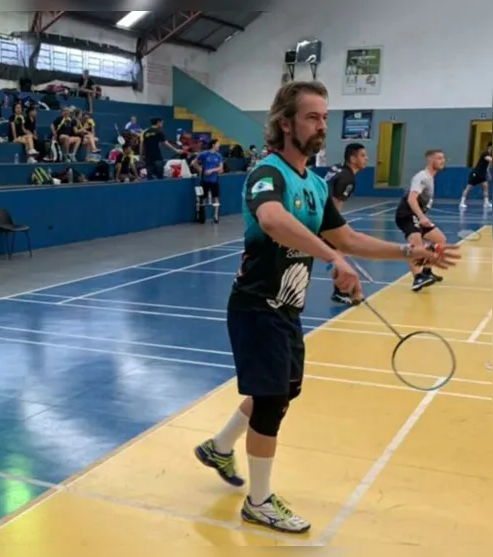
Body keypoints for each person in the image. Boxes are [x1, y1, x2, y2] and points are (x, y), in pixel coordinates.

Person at [192, 81, 459, 534]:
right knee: (272, 400)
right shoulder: (267, 174)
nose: (321, 127)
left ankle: (219, 447)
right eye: (312, 117)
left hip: (287, 310)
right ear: (286, 123)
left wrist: (408, 254)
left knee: (279, 392)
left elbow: (349, 239)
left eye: (324, 119)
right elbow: (274, 220)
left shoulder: (315, 185)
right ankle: (258, 502)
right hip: (257, 307)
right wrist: (333, 259)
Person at [393, 149, 450, 291]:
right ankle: (417, 278)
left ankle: (426, 272)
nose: (442, 161)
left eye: (443, 158)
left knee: (440, 240)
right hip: (407, 214)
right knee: (416, 246)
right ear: (430, 160)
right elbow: (411, 199)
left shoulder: (430, 178)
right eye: (439, 158)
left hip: (416, 216)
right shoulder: (422, 177)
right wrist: (422, 217)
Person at [324, 142, 368, 304]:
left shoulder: (338, 168)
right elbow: (334, 206)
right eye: (362, 155)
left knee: (337, 257)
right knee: (340, 258)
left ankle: (341, 292)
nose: (366, 159)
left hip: (315, 215)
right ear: (352, 158)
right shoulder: (348, 178)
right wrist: (338, 230)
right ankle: (354, 292)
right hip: (322, 221)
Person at [192, 138, 224, 223]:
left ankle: (216, 216)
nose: (219, 145)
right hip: (204, 181)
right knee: (202, 198)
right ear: (213, 145)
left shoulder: (218, 156)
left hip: (214, 181)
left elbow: (221, 168)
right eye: (218, 144)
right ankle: (201, 217)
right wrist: (200, 169)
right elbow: (194, 162)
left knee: (215, 198)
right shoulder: (204, 154)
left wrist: (212, 170)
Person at [459, 142, 492, 209]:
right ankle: (462, 202)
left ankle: (486, 203)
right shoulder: (485, 153)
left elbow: (487, 166)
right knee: (468, 188)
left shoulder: (489, 155)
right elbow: (490, 160)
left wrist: (488, 173)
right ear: (490, 147)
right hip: (476, 174)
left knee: (485, 187)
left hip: (482, 175)